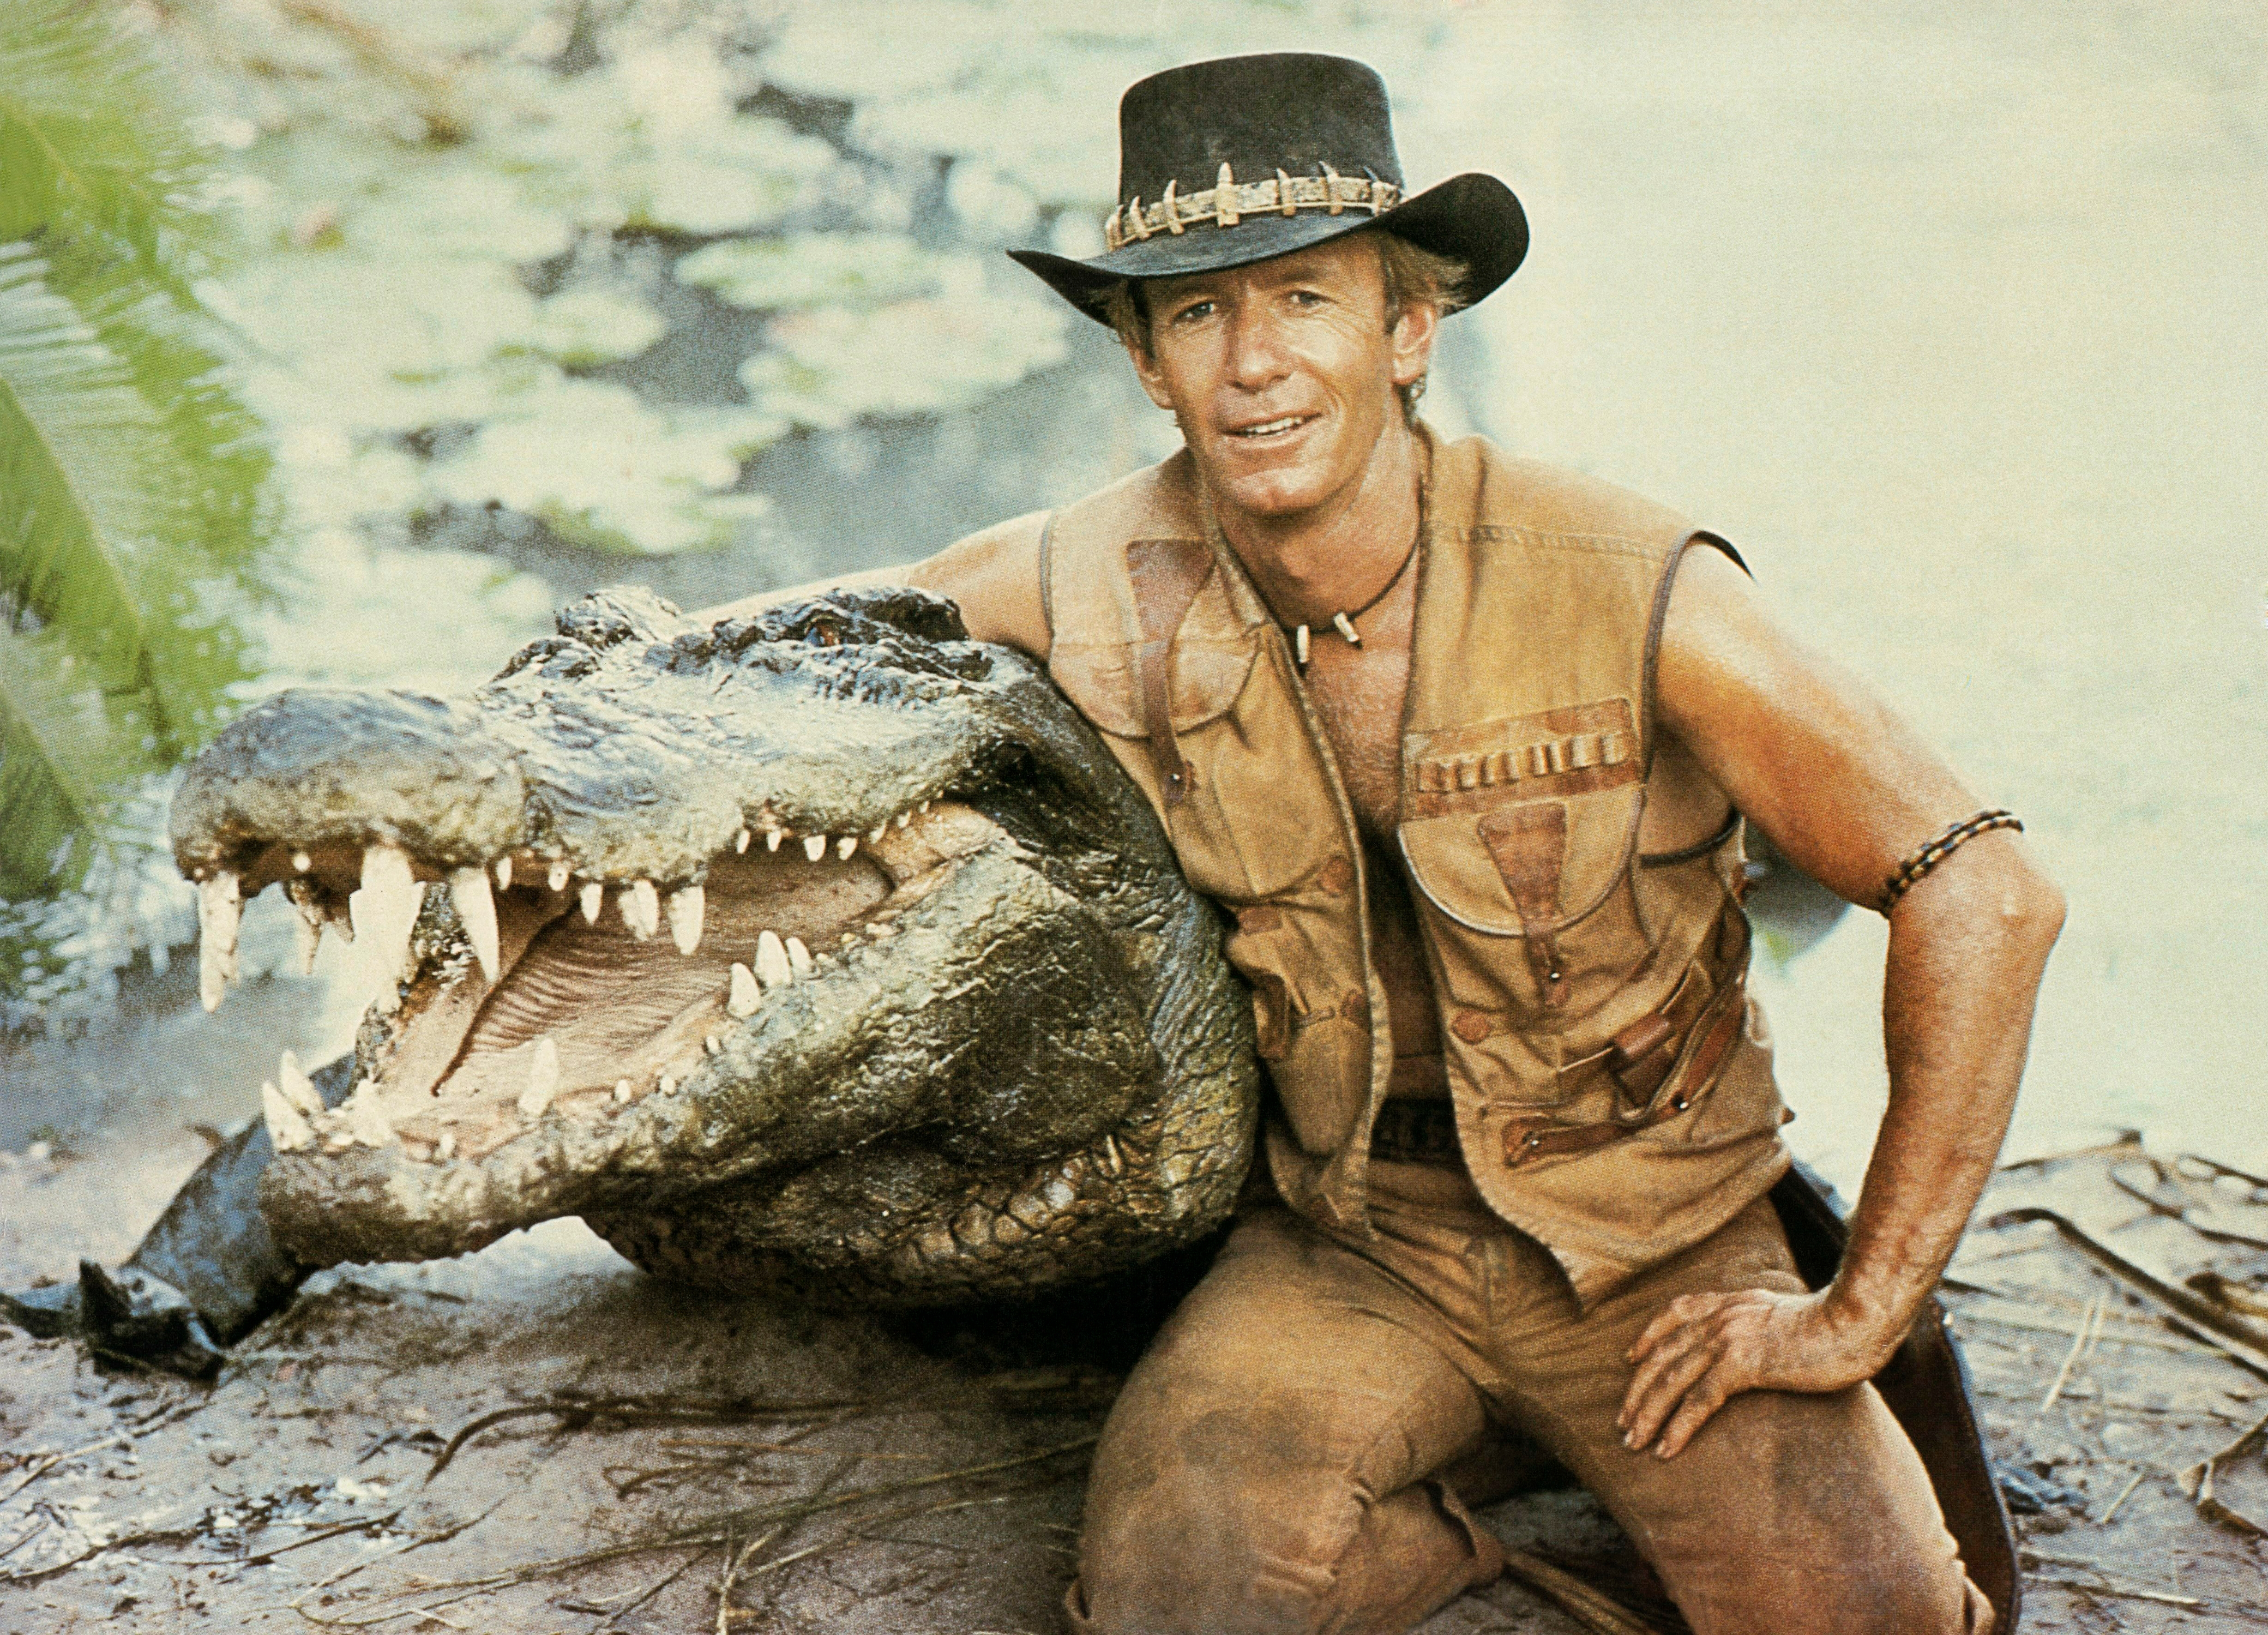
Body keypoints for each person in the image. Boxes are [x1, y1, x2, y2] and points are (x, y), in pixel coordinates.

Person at [723, 51, 2062, 1635]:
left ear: (1408, 330)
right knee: (1169, 1605)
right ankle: (1467, 1530)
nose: (1253, 365)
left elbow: (1983, 890)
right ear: (1147, 360)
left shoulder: (1632, 583)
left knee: (1876, 1626)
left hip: (1661, 1249)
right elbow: (768, 658)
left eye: (1302, 299)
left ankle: (1557, 1457)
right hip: (1353, 1246)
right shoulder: (1080, 573)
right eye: (1199, 313)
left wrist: (1857, 1311)